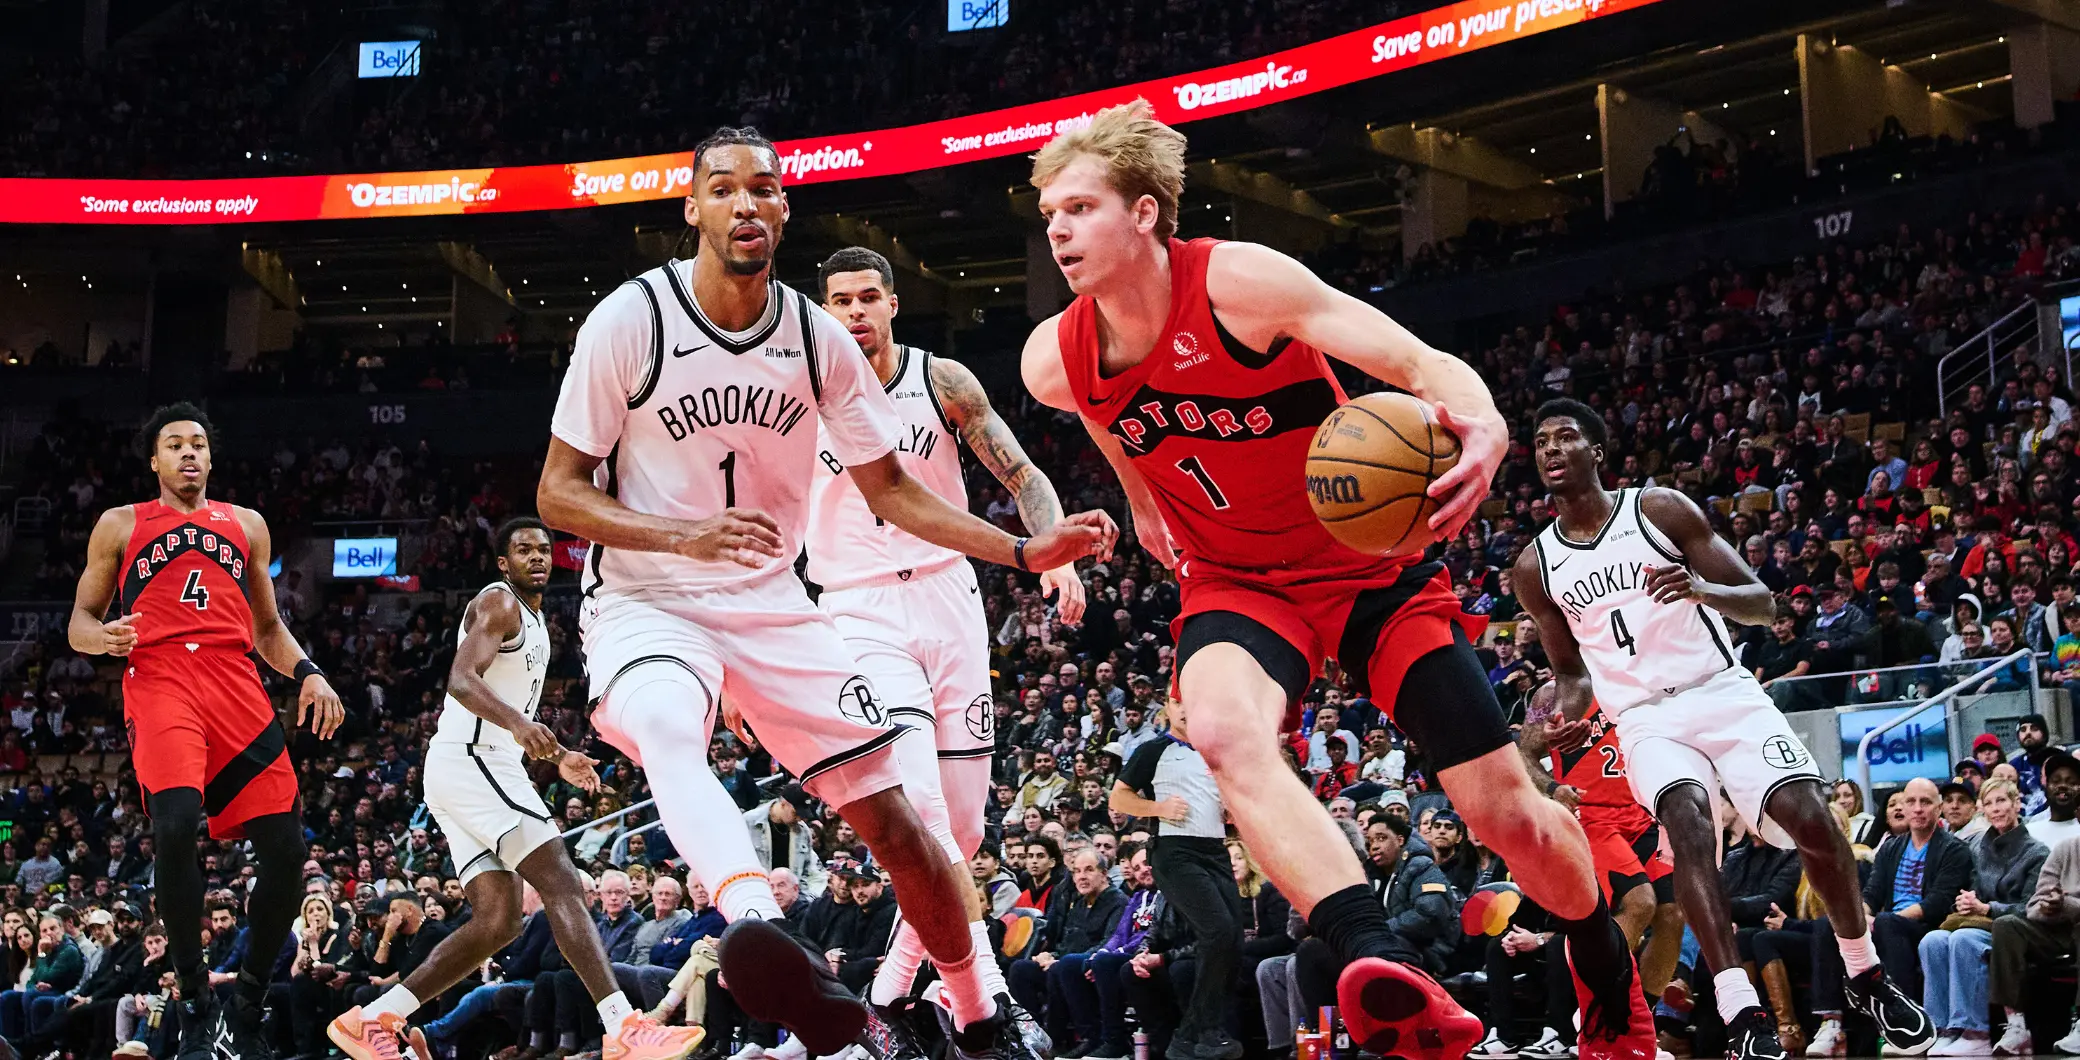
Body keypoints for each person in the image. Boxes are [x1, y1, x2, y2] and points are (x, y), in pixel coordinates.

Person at [1019, 99, 1641, 1060]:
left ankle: (1599, 948)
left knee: (1503, 814)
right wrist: (1145, 505)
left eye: (1080, 207)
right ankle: (1377, 954)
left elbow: (1419, 361)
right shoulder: (1052, 363)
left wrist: (1486, 424)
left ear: (1144, 213)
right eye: (1049, 212)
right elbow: (1115, 430)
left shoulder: (1242, 284)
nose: (1057, 228)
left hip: (1372, 572)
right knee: (1223, 733)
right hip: (1238, 583)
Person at [1515, 399, 1933, 1060]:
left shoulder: (1659, 511)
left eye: (1566, 437)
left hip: (1722, 690)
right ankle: (1740, 1009)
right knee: (1688, 823)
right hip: (1645, 717)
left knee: (1814, 820)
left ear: (1598, 451)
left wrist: (1702, 591)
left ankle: (1865, 971)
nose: (1551, 449)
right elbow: (1572, 673)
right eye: (1541, 442)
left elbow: (1763, 603)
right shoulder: (1534, 567)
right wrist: (1559, 719)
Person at [806, 246, 1076, 1046]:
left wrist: (1051, 549)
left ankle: (886, 1000)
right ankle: (986, 1006)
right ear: (824, 313)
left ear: (893, 304)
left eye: (867, 298)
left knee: (960, 835)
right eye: (839, 302)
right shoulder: (798, 396)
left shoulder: (944, 381)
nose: (854, 313)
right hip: (857, 610)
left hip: (950, 595)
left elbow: (1022, 474)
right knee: (919, 808)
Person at [326, 519, 702, 1060]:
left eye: (544, 550)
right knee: (563, 881)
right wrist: (520, 729)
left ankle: (374, 1018)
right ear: (503, 563)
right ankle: (623, 1027)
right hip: (474, 759)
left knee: (498, 920)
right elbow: (460, 679)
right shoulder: (498, 603)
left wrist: (558, 753)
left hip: (469, 765)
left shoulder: (535, 620)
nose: (537, 557)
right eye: (523, 550)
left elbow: (513, 709)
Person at [67, 402, 343, 1060]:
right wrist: (100, 638)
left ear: (211, 459)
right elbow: (78, 618)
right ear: (155, 461)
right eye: (174, 445)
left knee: (284, 851)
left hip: (235, 681)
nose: (188, 453)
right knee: (174, 822)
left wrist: (309, 672)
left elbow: (268, 629)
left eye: (198, 444)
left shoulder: (246, 525)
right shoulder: (121, 524)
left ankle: (246, 1000)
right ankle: (193, 997)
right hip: (161, 679)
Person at [1518, 686, 1683, 998]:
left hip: (1640, 813)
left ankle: (1641, 1020)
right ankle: (1603, 1006)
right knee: (1641, 903)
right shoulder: (1554, 693)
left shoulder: (1634, 680)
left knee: (1673, 915)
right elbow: (1524, 753)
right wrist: (1552, 787)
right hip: (1590, 816)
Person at [1111, 714, 1242, 1060]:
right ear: (1168, 706)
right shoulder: (1155, 749)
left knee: (1233, 939)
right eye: (1178, 700)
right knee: (1218, 930)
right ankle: (1200, 1032)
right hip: (1174, 850)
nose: (1186, 708)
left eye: (1192, 701)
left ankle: (1193, 1036)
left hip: (1215, 849)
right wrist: (1158, 808)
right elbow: (1119, 798)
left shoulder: (1215, 753)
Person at [1916, 779, 2043, 1055]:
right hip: (1977, 922)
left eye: (2002, 801)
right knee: (1933, 940)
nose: (1995, 809)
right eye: (1989, 803)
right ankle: (1940, 1029)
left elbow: (2032, 908)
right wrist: (1963, 903)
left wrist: (1987, 908)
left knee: (1964, 939)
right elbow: (1971, 891)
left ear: (2017, 804)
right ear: (1981, 810)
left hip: (2013, 930)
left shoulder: (2037, 852)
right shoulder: (1975, 848)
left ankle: (1976, 1031)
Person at [2026, 753, 2080, 849]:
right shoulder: (2029, 832)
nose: (2062, 786)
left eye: (2071, 782)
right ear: (2045, 786)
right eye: (2055, 781)